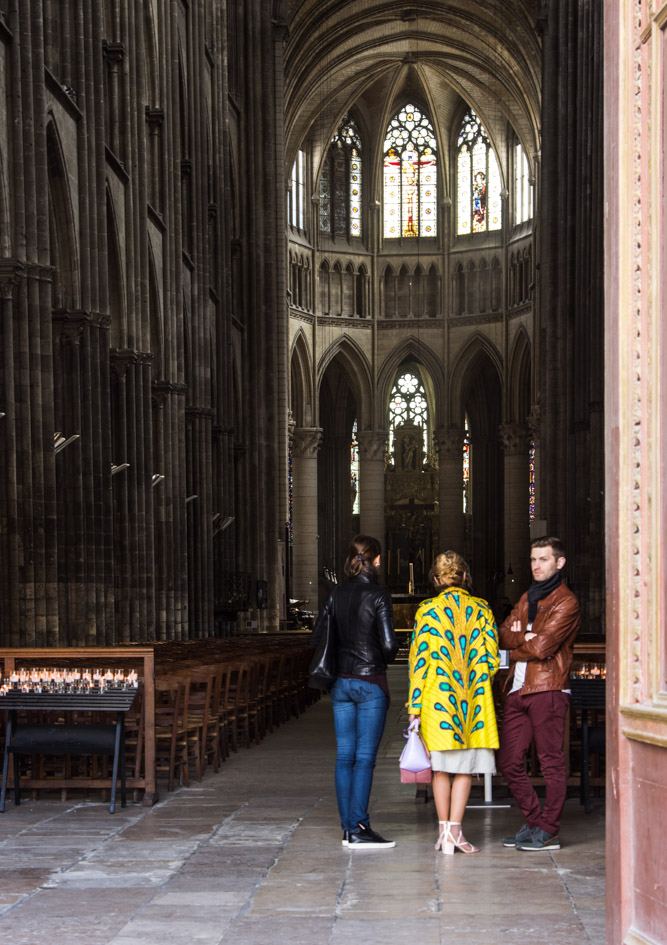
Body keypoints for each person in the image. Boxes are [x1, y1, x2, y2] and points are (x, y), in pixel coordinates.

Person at [407, 551, 499, 854]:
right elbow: (491, 659)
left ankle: (443, 832)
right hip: (472, 701)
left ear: (435, 579)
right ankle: (456, 833)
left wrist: (414, 706)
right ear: (465, 577)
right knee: (465, 769)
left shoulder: (428, 611)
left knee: (440, 769)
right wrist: (473, 675)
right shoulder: (481, 609)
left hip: (438, 700)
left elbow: (419, 662)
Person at [314, 534, 399, 849]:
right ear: (376, 560)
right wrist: (381, 653)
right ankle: (360, 826)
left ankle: (348, 827)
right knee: (364, 758)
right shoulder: (378, 594)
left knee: (344, 756)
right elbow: (389, 645)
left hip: (341, 684)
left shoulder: (335, 594)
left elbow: (320, 635)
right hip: (369, 682)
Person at [497, 536, 581, 852]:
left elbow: (543, 646)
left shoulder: (566, 601)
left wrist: (523, 643)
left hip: (548, 689)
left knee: (551, 762)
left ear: (559, 563)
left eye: (543, 559)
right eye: (533, 559)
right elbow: (503, 633)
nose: (536, 565)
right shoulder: (526, 597)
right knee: (509, 761)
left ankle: (549, 830)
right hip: (518, 689)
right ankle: (534, 821)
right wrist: (523, 638)